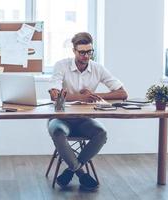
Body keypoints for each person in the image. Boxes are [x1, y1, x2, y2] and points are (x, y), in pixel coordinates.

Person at [48, 32, 128, 191]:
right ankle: (81, 173)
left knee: (101, 133)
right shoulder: (61, 65)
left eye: (89, 52)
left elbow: (122, 93)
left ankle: (70, 170)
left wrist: (95, 96)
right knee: (57, 132)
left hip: (84, 119)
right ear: (74, 51)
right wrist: (81, 97)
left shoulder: (98, 68)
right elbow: (54, 95)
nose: (86, 56)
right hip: (61, 118)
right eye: (82, 52)